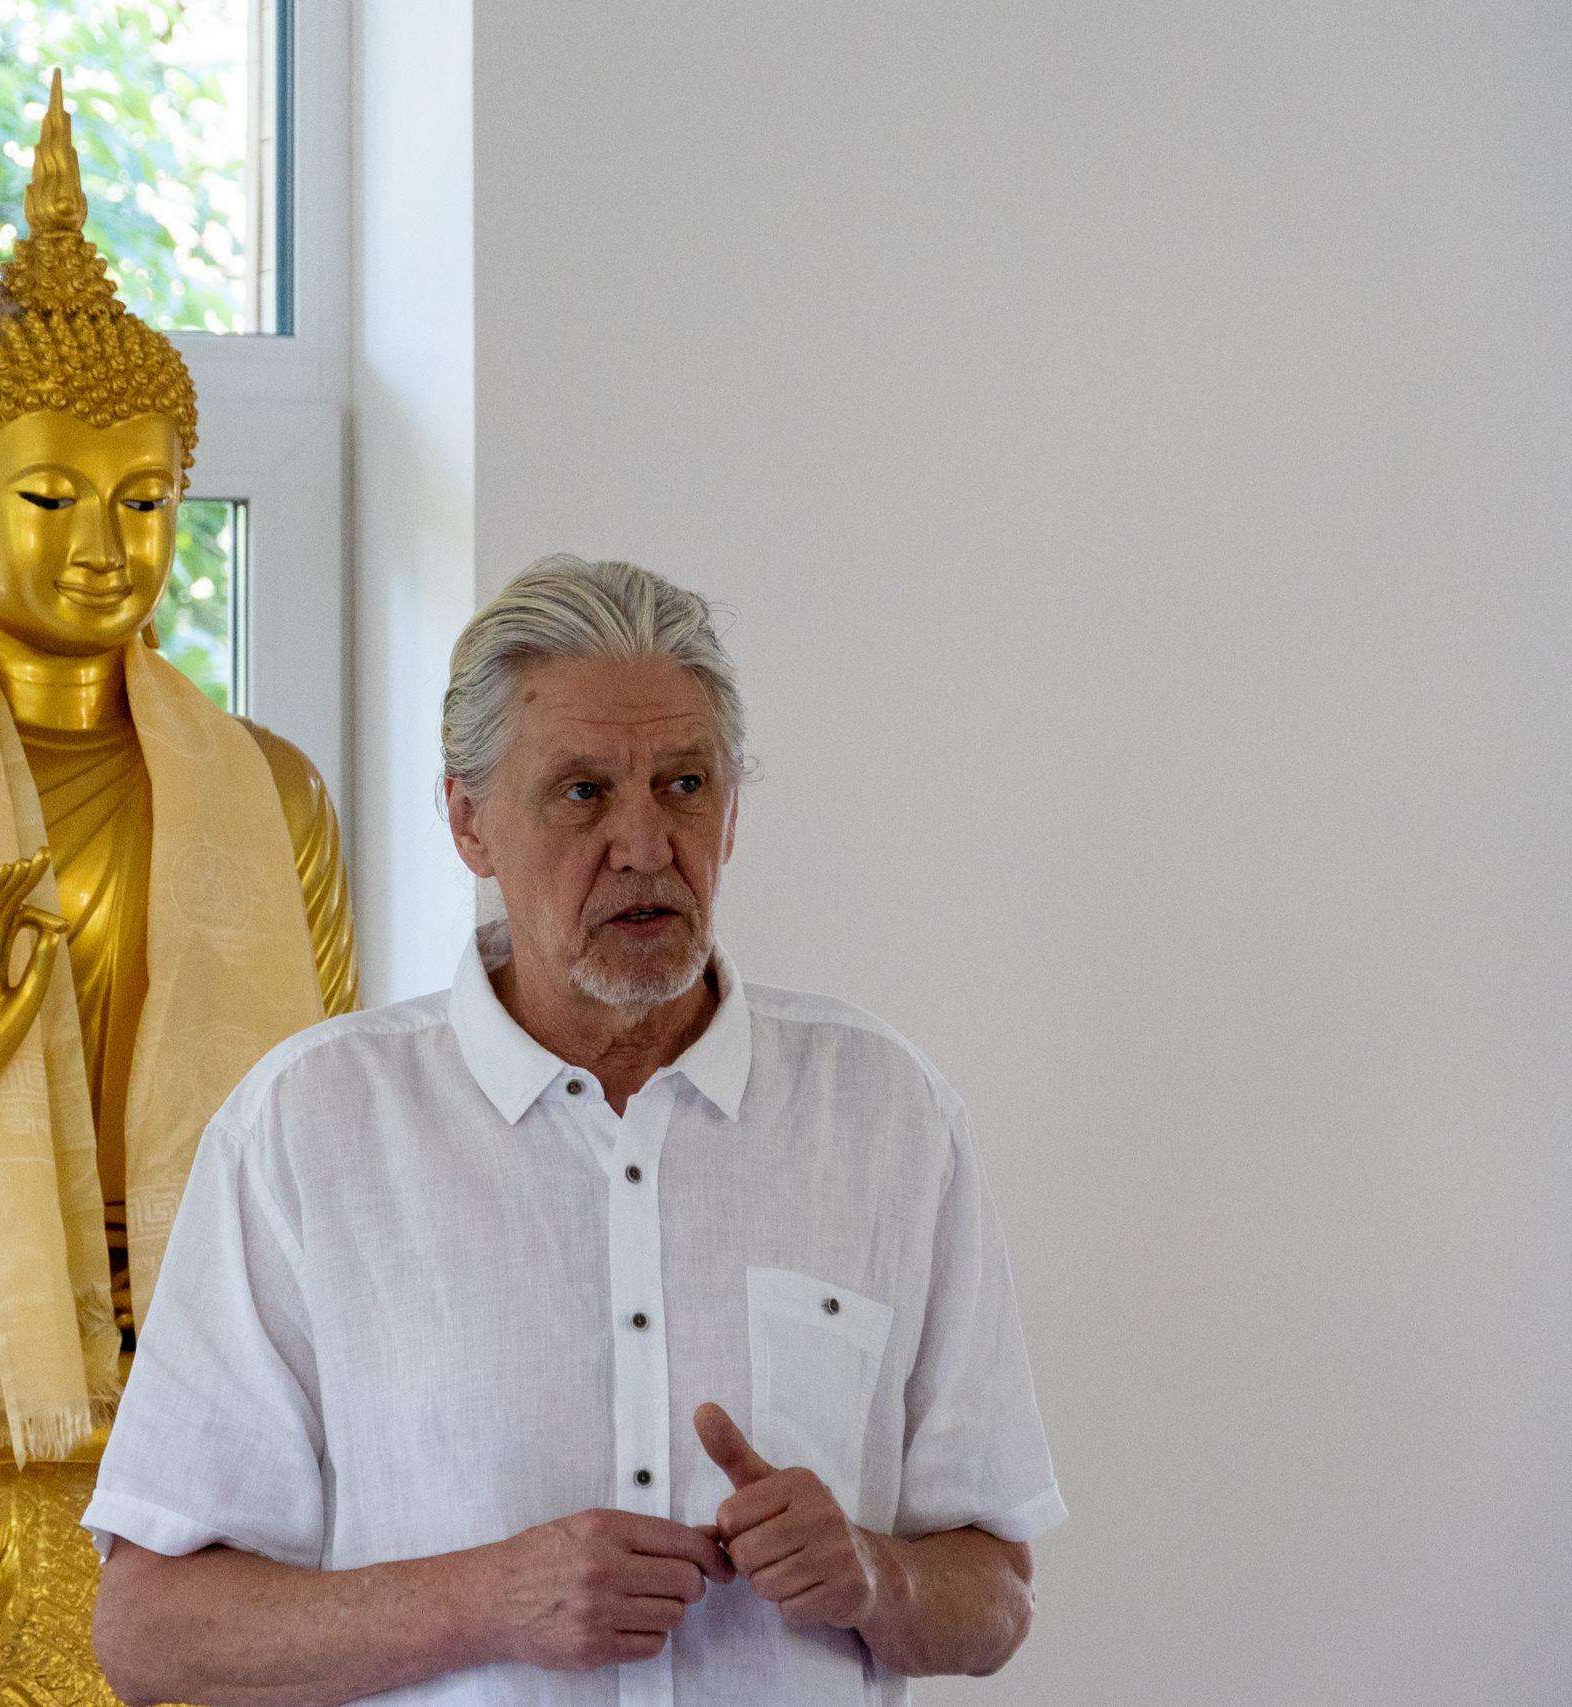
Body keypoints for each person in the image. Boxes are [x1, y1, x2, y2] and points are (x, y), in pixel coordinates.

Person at [83, 556, 1064, 1707]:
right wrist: (485, 1600)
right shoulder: (307, 1129)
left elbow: (994, 1601)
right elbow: (150, 1633)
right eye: (582, 792)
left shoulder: (887, 1116)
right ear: (470, 823)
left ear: (732, 810)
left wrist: (871, 1577)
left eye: (684, 784)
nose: (644, 844)